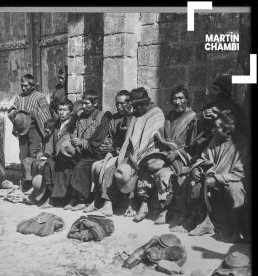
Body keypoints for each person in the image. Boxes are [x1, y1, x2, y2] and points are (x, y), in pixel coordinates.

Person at [97, 87, 165, 221]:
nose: (139, 108)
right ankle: (108, 202)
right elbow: (129, 138)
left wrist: (139, 154)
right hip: (133, 152)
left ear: (147, 102)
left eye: (141, 105)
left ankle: (132, 203)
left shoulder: (156, 114)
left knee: (135, 169)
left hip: (151, 153)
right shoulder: (135, 116)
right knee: (116, 167)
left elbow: (154, 137)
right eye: (136, 105)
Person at [182, 110, 250, 242]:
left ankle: (236, 229)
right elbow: (204, 158)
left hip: (233, 180)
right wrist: (196, 169)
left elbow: (240, 173)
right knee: (193, 180)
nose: (213, 130)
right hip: (212, 177)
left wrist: (217, 178)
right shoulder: (215, 139)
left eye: (217, 127)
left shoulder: (242, 144)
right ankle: (204, 222)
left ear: (227, 128)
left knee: (235, 190)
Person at [138, 86, 197, 226]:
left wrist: (177, 152)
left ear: (187, 99)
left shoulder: (193, 118)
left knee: (164, 173)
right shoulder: (170, 115)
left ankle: (166, 209)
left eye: (181, 98)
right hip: (167, 152)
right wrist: (163, 142)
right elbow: (162, 133)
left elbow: (193, 145)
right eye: (175, 98)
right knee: (146, 163)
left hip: (183, 156)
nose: (177, 102)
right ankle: (144, 202)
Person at [85, 90, 133, 215]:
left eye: (122, 103)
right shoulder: (114, 118)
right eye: (117, 103)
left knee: (110, 169)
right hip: (115, 152)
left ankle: (108, 203)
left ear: (129, 103)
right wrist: (107, 144)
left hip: (129, 154)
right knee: (98, 166)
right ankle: (96, 200)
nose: (118, 106)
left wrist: (116, 148)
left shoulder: (134, 118)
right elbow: (109, 135)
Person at [8, 74, 51, 192]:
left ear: (32, 86)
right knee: (23, 154)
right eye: (22, 86)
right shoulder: (19, 97)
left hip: (35, 129)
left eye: (26, 86)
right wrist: (13, 114)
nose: (23, 88)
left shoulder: (40, 97)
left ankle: (35, 181)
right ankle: (26, 180)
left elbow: (46, 112)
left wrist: (33, 113)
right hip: (22, 130)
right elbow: (12, 109)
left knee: (34, 153)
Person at [64, 90, 104, 211]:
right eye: (83, 103)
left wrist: (83, 142)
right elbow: (74, 131)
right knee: (66, 162)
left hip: (95, 154)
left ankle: (83, 199)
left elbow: (100, 140)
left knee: (81, 166)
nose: (84, 106)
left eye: (87, 103)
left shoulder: (101, 117)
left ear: (95, 103)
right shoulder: (80, 116)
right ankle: (72, 197)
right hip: (81, 152)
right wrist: (75, 140)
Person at [38, 99, 75, 208]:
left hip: (69, 157)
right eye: (60, 109)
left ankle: (56, 199)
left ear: (71, 112)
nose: (61, 112)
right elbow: (50, 142)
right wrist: (45, 155)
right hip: (57, 156)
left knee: (60, 167)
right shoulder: (57, 124)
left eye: (65, 110)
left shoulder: (73, 125)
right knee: (47, 165)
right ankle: (48, 194)